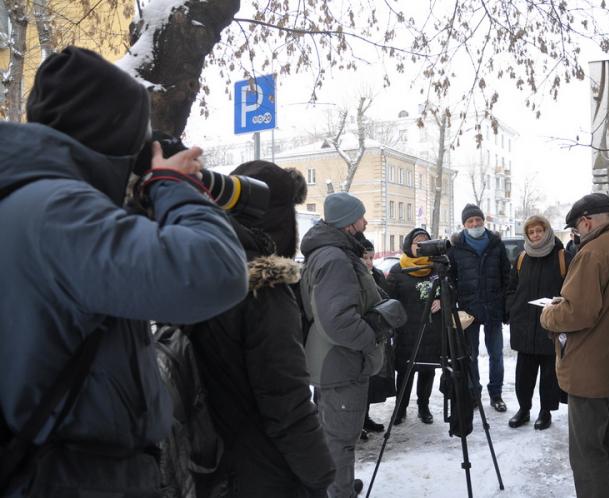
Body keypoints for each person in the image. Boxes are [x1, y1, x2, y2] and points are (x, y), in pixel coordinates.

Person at [0, 47, 248, 496]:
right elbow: (216, 272)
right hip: (69, 478)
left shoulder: (28, 199)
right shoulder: (56, 211)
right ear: (112, 134)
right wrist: (175, 188)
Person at [189, 160, 335, 497]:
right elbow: (285, 399)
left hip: (205, 461)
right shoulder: (265, 284)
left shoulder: (197, 266)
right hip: (260, 468)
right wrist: (320, 474)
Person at [540, 192, 609, 498]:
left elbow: (577, 312)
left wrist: (549, 314)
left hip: (590, 370)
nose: (577, 237)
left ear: (587, 221)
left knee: (587, 449)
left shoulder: (593, 253)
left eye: (576, 230)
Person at [299, 192, 385, 498]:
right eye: (361, 216)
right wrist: (371, 337)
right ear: (348, 222)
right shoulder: (334, 257)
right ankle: (340, 492)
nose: (365, 221)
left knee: (332, 434)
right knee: (341, 438)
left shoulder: (332, 252)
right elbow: (338, 321)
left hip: (333, 361)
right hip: (340, 362)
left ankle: (339, 484)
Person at [505, 215, 572, 430]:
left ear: (547, 231)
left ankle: (545, 411)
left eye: (539, 231)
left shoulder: (563, 257)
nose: (535, 235)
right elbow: (511, 287)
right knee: (523, 373)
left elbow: (571, 290)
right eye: (531, 232)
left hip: (550, 324)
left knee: (549, 373)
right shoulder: (522, 258)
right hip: (524, 323)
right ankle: (524, 409)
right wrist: (511, 309)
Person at [449, 204, 510, 412]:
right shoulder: (456, 247)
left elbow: (506, 276)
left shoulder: (496, 244)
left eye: (477, 220)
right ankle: (474, 393)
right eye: (470, 221)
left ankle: (496, 394)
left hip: (493, 307)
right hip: (469, 310)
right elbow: (451, 278)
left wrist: (504, 305)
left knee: (496, 354)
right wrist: (456, 303)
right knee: (471, 355)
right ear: (464, 224)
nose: (475, 224)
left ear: (483, 221)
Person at [386, 228, 443, 425]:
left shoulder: (437, 267)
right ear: (408, 245)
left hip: (431, 329)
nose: (421, 245)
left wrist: (442, 300)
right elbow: (389, 300)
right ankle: (400, 408)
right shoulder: (398, 270)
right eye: (417, 242)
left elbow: (451, 289)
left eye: (426, 242)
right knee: (405, 370)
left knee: (428, 370)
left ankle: (423, 406)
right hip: (407, 329)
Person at [358, 236, 393, 438]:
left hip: (376, 335)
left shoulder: (377, 276)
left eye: (371, 257)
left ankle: (365, 418)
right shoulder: (353, 276)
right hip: (360, 335)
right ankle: (357, 422)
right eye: (365, 257)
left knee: (372, 382)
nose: (369, 262)